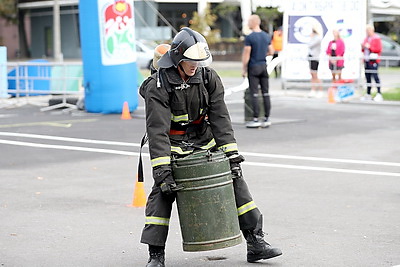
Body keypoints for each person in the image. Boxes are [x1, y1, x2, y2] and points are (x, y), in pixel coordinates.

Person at [139, 27, 282, 267]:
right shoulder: (158, 85)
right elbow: (158, 131)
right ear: (177, 59)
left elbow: (220, 118)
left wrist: (231, 154)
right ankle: (156, 255)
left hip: (204, 141)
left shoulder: (208, 77)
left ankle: (255, 243)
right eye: (190, 61)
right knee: (162, 193)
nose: (195, 66)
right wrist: (162, 170)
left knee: (236, 180)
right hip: (173, 145)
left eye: (198, 61)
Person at [242, 14, 274, 128]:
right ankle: (267, 118)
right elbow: (271, 51)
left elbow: (247, 54)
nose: (248, 24)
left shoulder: (250, 37)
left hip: (254, 66)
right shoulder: (266, 36)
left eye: (249, 22)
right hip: (263, 66)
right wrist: (262, 54)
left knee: (254, 93)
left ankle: (255, 118)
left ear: (253, 22)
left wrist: (244, 68)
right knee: (265, 93)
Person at [361, 24, 383, 102]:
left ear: (372, 30)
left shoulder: (376, 38)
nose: (367, 32)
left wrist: (369, 47)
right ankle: (368, 93)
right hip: (366, 60)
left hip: (373, 60)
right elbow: (363, 49)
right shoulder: (366, 38)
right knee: (368, 78)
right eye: (366, 31)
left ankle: (379, 93)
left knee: (375, 77)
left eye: (368, 30)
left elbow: (379, 49)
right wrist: (363, 47)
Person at [307, 25, 323, 98]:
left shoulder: (318, 38)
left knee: (315, 74)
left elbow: (310, 45)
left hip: (315, 57)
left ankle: (320, 90)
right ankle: (313, 90)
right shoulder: (314, 37)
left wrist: (312, 37)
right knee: (312, 74)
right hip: (311, 56)